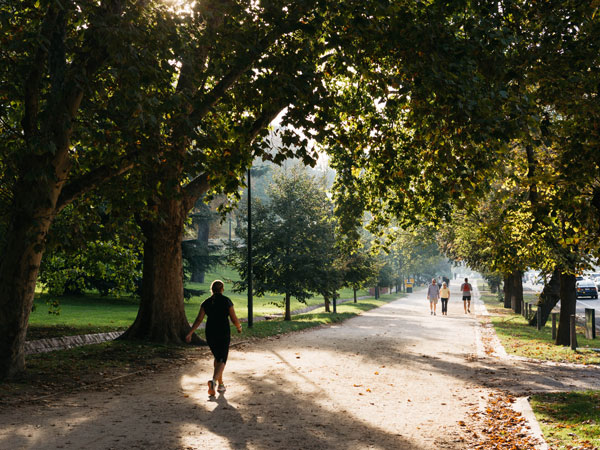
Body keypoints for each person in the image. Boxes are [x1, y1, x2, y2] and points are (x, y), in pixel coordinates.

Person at [186, 280, 242, 396]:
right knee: (222, 359)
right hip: (223, 332)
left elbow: (199, 319)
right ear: (222, 289)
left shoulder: (206, 302)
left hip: (210, 332)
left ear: (211, 289)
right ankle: (213, 381)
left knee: (217, 357)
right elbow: (233, 317)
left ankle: (221, 385)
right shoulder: (226, 301)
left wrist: (190, 333)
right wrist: (238, 327)